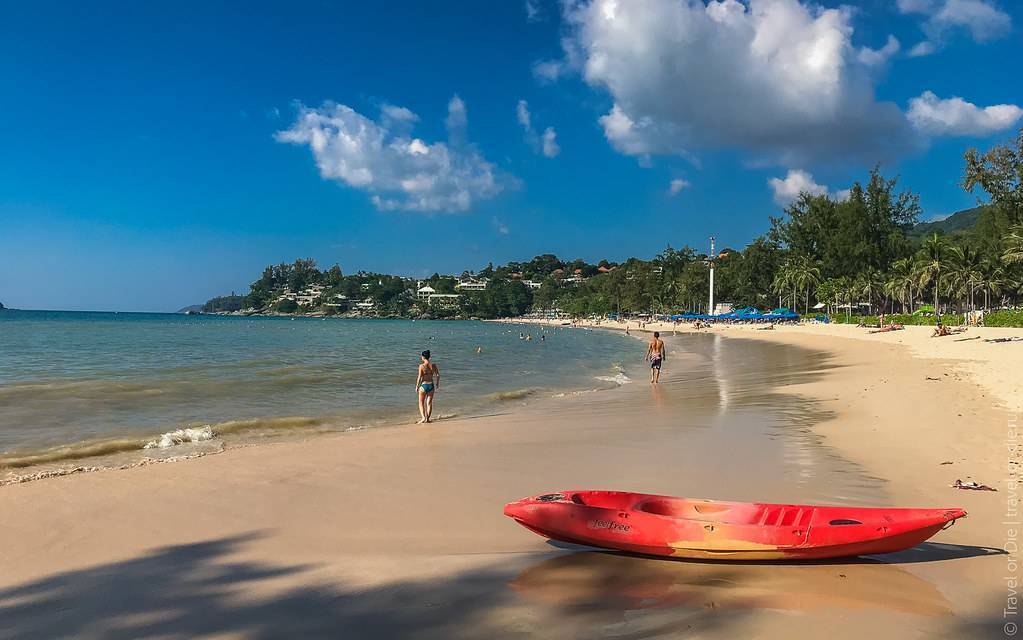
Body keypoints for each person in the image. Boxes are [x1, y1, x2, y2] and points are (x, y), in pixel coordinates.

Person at [415, 350, 440, 423]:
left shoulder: (421, 366)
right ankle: (428, 419)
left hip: (424, 385)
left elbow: (419, 377)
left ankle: (423, 417)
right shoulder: (434, 365)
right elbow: (438, 375)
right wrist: (437, 384)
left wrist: (417, 386)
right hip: (431, 386)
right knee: (429, 403)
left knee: (421, 403)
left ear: (423, 357)